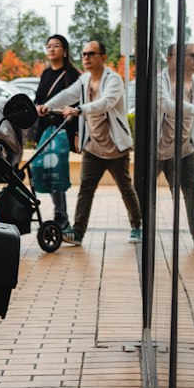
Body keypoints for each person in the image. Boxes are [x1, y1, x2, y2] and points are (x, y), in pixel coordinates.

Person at [38, 39, 142, 245]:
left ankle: (137, 226)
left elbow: (106, 103)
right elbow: (68, 94)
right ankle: (77, 232)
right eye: (84, 54)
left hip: (114, 148)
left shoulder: (114, 80)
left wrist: (79, 110)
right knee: (86, 189)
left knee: (126, 189)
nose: (86, 58)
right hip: (93, 147)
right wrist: (47, 106)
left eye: (91, 54)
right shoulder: (85, 80)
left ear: (103, 57)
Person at [158, 43, 194, 247]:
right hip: (159, 149)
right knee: (145, 193)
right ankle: (139, 225)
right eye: (193, 56)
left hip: (185, 148)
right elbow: (166, 104)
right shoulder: (161, 80)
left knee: (191, 190)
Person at [33, 34, 79, 232]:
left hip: (62, 130)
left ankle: (61, 214)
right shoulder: (45, 74)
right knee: (45, 169)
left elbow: (78, 104)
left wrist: (75, 131)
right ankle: (60, 214)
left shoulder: (72, 75)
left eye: (56, 46)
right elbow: (38, 99)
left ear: (65, 50)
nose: (51, 49)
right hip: (45, 129)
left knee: (57, 169)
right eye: (49, 46)